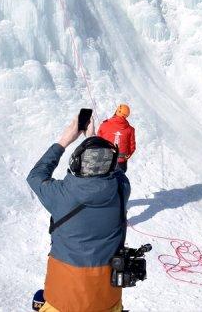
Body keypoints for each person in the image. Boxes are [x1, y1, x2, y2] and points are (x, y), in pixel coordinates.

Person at [27, 115, 130, 312]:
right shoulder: (121, 190)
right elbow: (116, 171)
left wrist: (65, 140)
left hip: (62, 302)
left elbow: (36, 175)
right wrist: (93, 141)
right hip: (107, 300)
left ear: (75, 163)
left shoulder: (60, 194)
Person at [98, 104, 136, 172]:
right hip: (121, 162)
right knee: (120, 181)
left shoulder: (104, 125)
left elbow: (98, 142)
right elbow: (132, 147)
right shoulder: (130, 129)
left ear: (117, 111)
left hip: (105, 160)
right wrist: (127, 156)